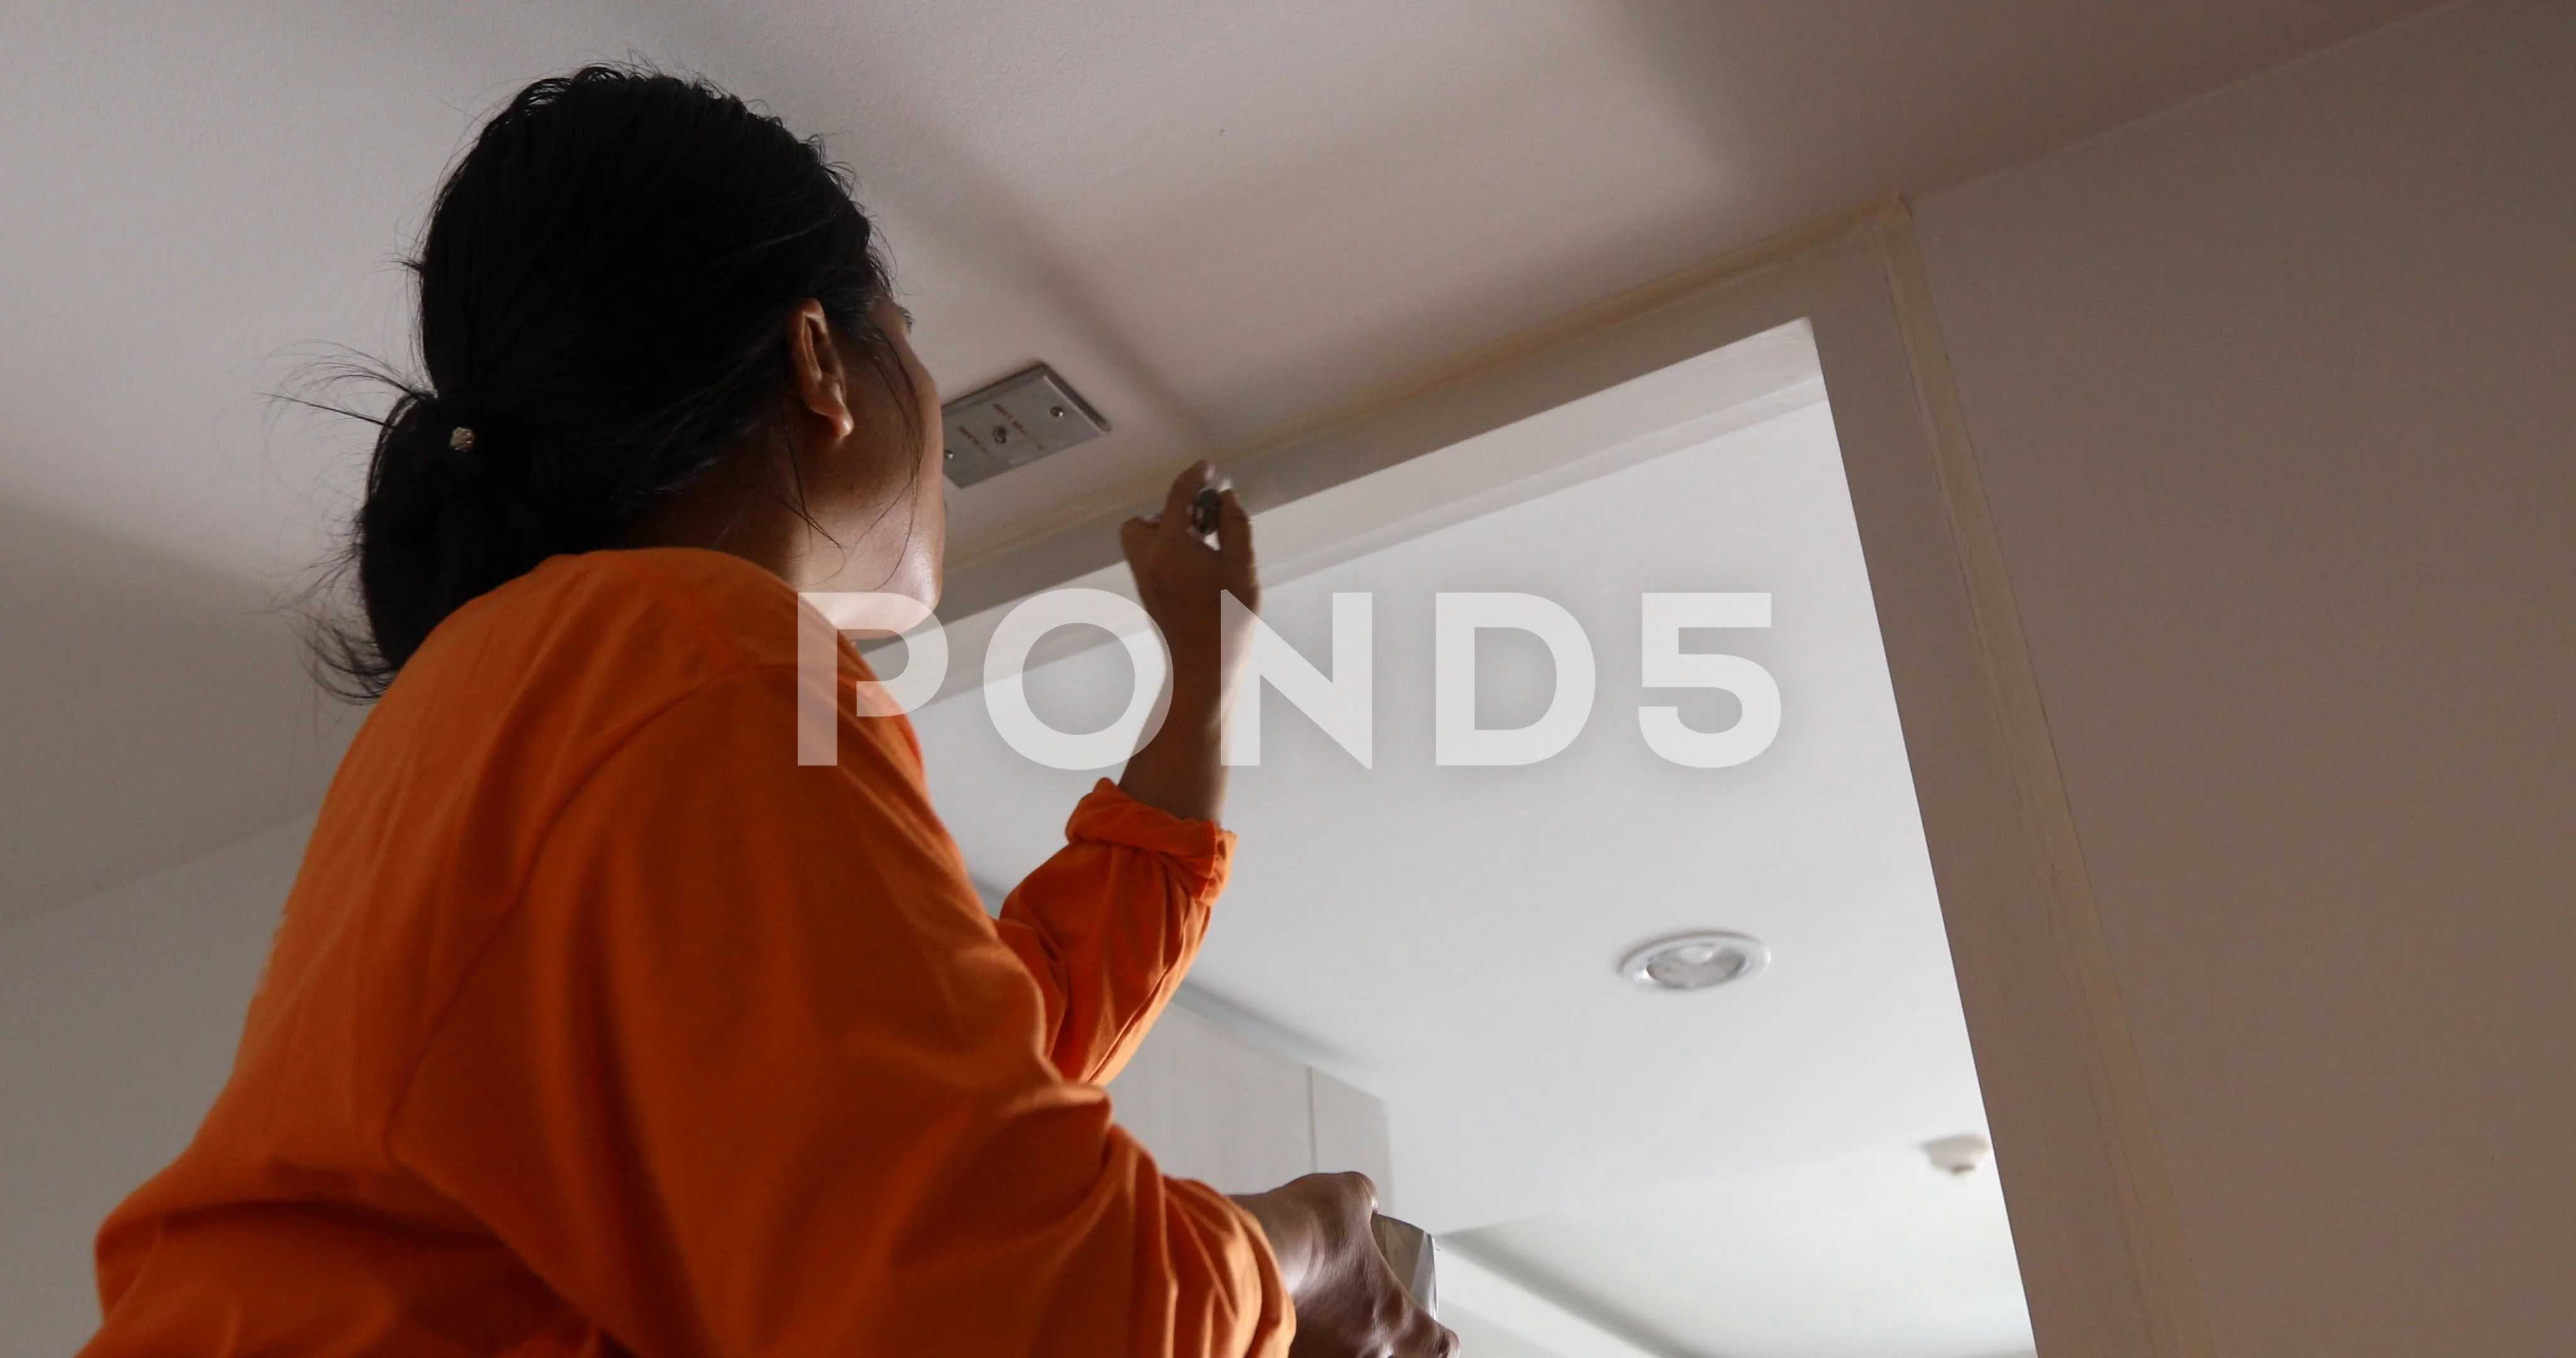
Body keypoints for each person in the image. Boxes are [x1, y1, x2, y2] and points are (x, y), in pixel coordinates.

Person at [80, 65, 1454, 1358]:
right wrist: (1303, 1250)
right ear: (818, 359)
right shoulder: (692, 649)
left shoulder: (543, 685)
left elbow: (929, 1080)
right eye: (906, 344)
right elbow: (1027, 1307)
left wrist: (1199, 688)